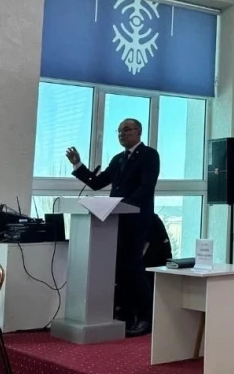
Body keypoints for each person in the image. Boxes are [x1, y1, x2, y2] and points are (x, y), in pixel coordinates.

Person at [66, 118, 159, 338]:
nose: (121, 134)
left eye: (126, 130)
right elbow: (97, 183)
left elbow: (146, 188)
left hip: (136, 218)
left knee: (134, 267)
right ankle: (125, 314)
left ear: (138, 132)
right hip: (115, 219)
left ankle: (146, 317)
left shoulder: (149, 155)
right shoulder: (118, 159)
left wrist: (123, 205)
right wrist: (78, 165)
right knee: (120, 268)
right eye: (118, 131)